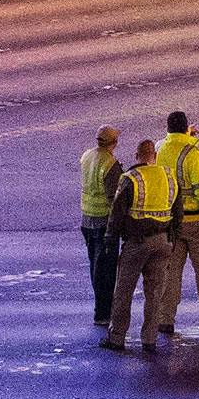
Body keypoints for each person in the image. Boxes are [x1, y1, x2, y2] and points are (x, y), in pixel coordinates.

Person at [151, 111, 199, 341]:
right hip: (198, 222)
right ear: (185, 128)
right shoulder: (194, 155)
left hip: (171, 223)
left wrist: (185, 134)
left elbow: (167, 142)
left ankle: (166, 319)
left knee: (171, 273)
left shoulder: (160, 151)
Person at [104, 141, 175, 354]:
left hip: (137, 242)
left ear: (137, 155)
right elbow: (177, 211)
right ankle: (149, 339)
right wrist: (173, 238)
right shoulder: (169, 177)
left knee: (124, 291)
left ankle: (117, 337)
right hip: (163, 241)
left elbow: (117, 213)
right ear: (154, 154)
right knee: (154, 293)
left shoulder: (130, 179)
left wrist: (110, 239)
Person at [79, 125, 121, 329]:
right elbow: (114, 199)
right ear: (114, 142)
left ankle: (101, 310)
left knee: (95, 267)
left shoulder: (87, 156)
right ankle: (103, 313)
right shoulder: (110, 163)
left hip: (87, 219)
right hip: (104, 221)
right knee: (105, 270)